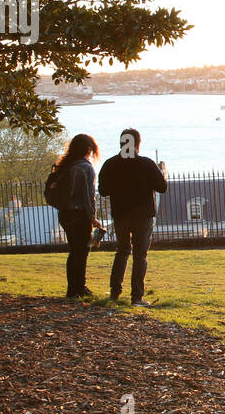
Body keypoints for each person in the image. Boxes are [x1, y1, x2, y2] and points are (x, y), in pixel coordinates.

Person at [97, 128, 168, 306]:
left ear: (122, 142)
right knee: (140, 255)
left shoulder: (110, 164)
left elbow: (103, 190)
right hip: (143, 215)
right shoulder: (146, 164)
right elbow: (162, 187)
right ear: (137, 144)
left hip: (121, 215)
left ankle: (115, 292)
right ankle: (137, 297)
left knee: (122, 251)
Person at [49, 133, 103, 299]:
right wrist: (92, 217)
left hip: (65, 213)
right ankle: (79, 288)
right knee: (81, 252)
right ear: (88, 149)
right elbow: (88, 196)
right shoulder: (86, 167)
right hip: (79, 214)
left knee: (74, 251)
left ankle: (73, 288)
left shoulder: (66, 166)